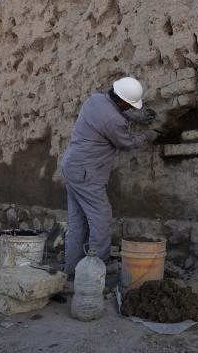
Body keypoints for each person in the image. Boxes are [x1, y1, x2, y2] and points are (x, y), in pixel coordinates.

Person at [60, 77, 158, 276]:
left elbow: (110, 112)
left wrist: (133, 117)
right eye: (128, 106)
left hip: (72, 166)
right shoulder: (114, 120)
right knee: (101, 218)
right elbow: (127, 143)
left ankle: (72, 270)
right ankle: (99, 265)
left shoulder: (95, 99)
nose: (128, 109)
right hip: (87, 173)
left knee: (78, 221)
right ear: (121, 102)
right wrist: (147, 135)